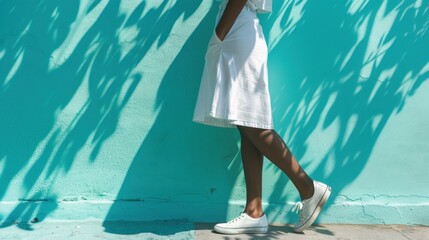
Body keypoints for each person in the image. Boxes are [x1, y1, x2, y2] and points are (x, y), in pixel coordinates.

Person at [193, 0, 331, 235]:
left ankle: (308, 187)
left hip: (237, 35)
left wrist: (219, 35)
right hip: (241, 34)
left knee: (254, 127)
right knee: (248, 125)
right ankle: (254, 211)